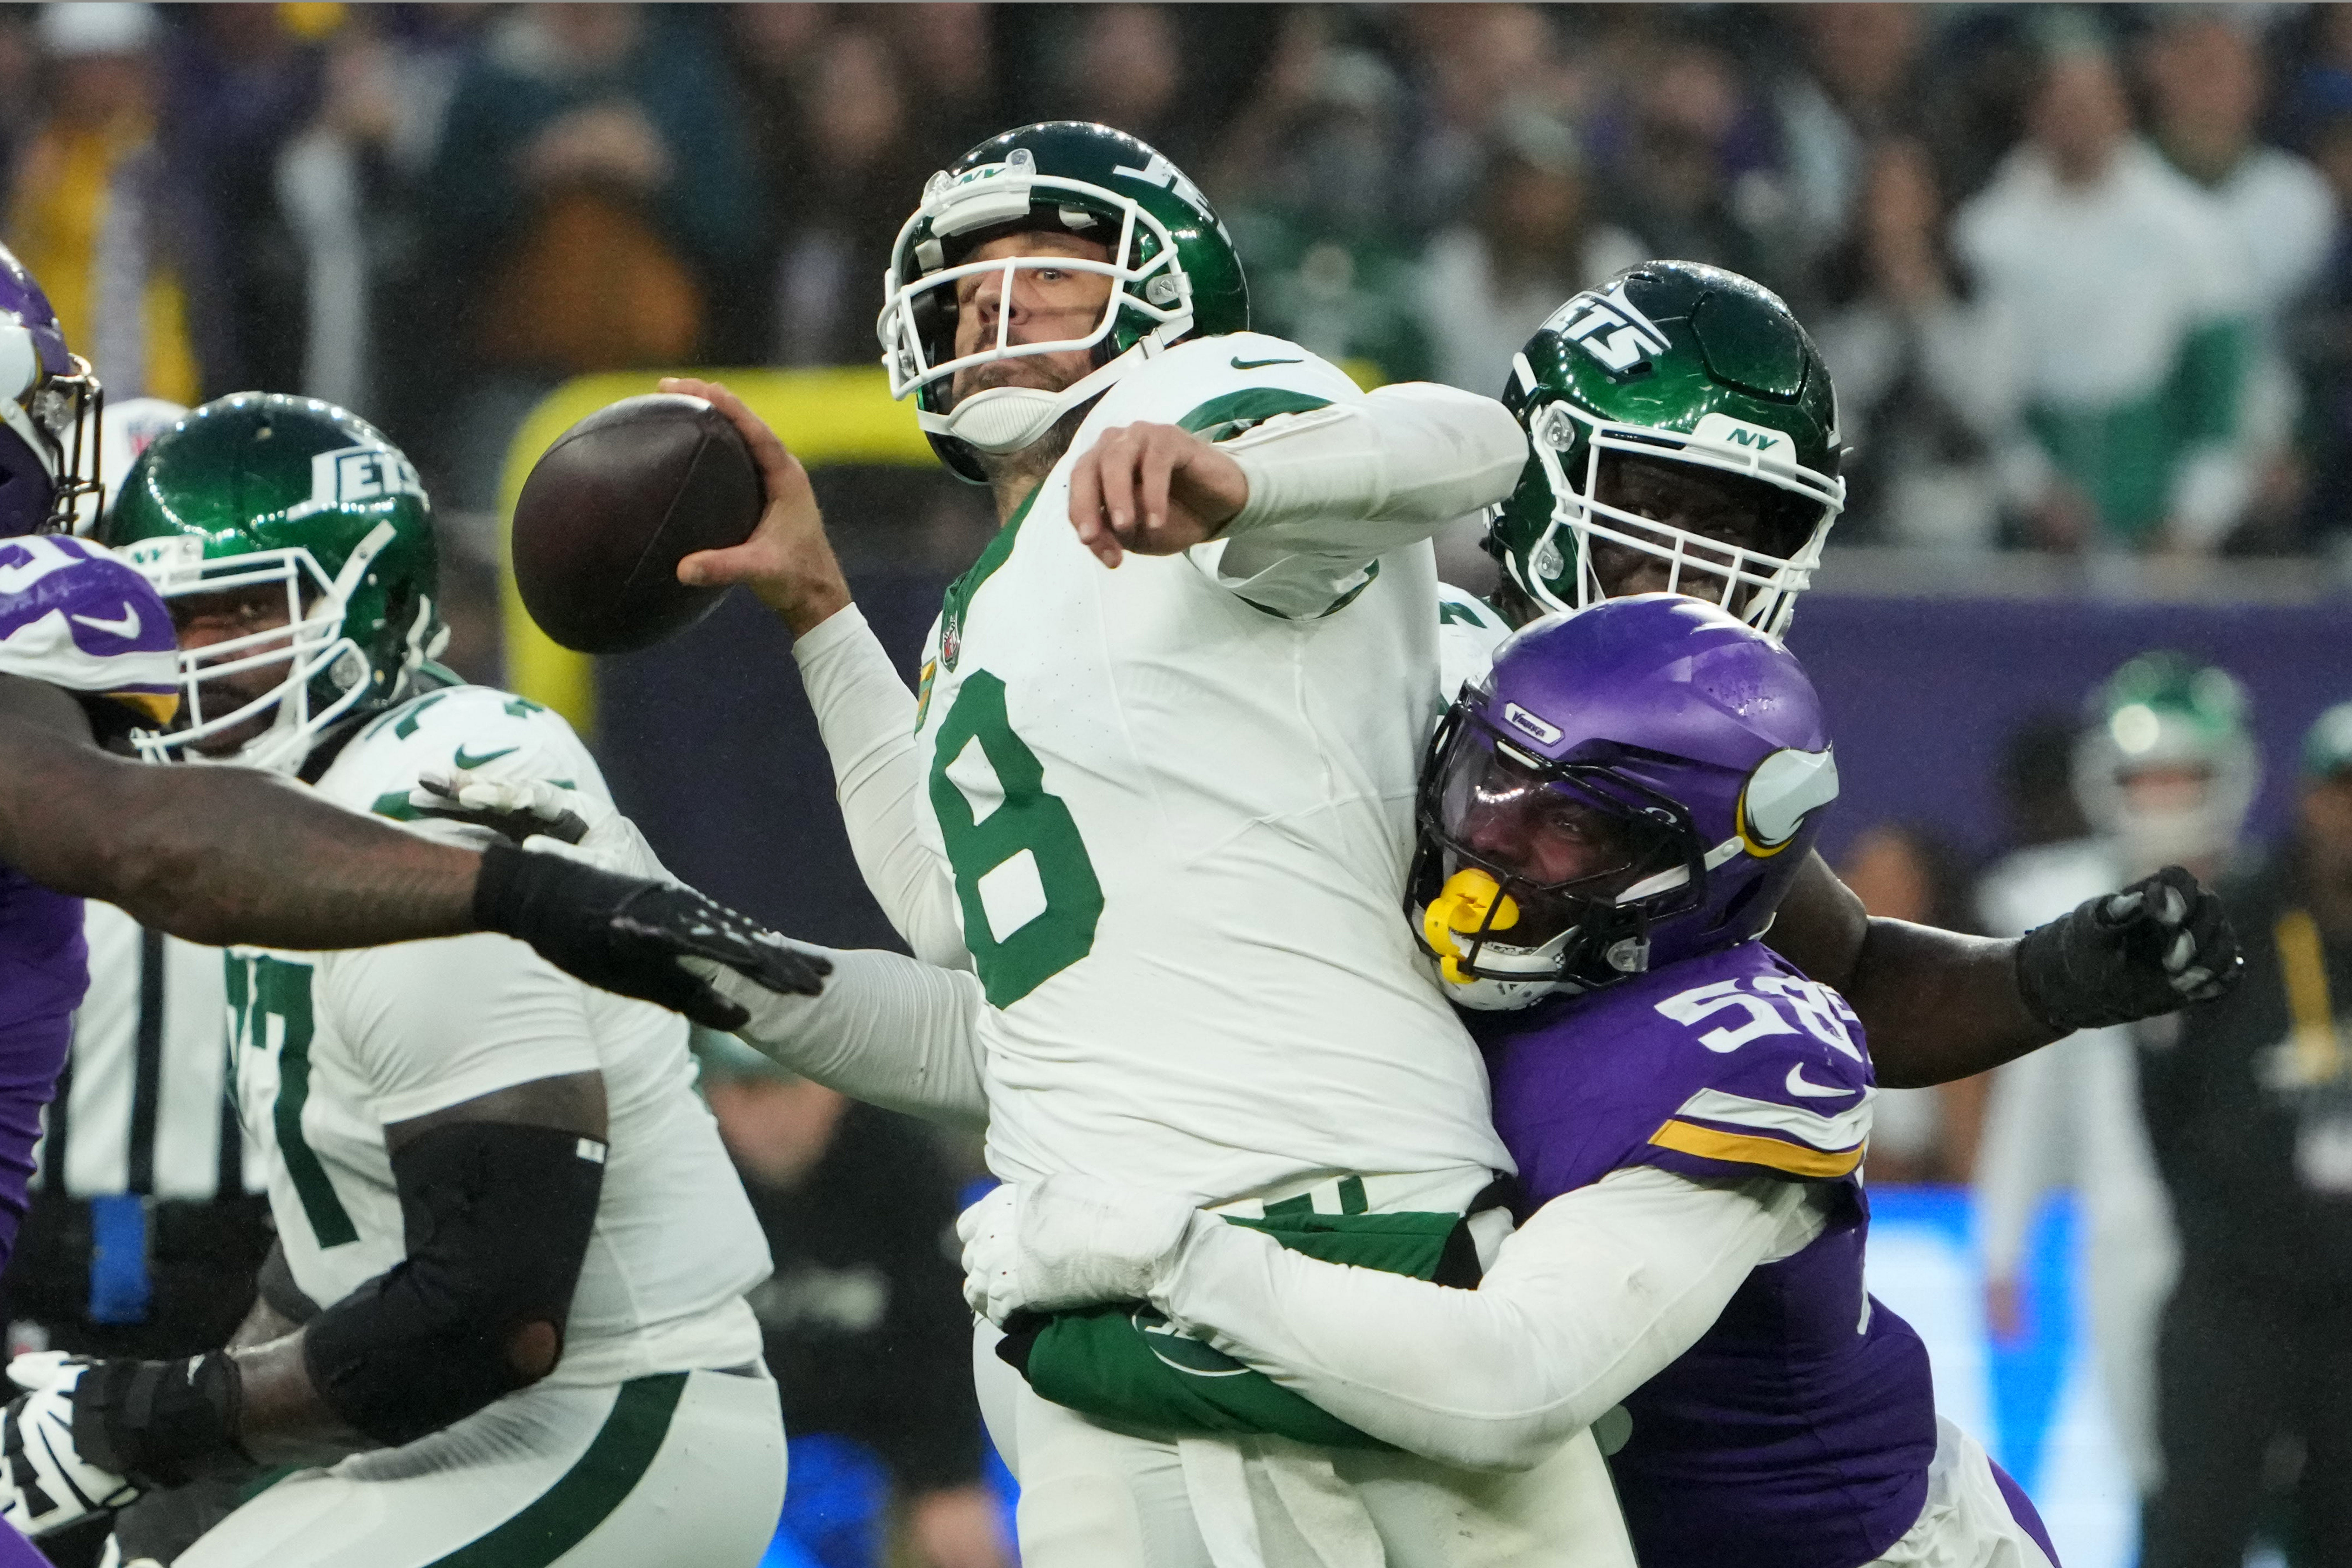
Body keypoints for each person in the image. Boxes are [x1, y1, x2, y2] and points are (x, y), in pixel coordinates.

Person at [667, 126, 2236, 1564]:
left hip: (1753, 1446)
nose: (1697, 561)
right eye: (1660, 497)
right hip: (1469, 1387)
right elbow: (1014, 982)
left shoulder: (1685, 744)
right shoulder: (1374, 658)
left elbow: (1863, 977)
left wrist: (2053, 975)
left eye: (1755, 530)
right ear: (1548, 463)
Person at [678, 118, 1636, 1568]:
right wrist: (819, 615)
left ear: (1164, 293)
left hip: (1345, 1222)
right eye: (973, 281)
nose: (1000, 309)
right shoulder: (981, 611)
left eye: (1054, 276)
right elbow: (951, 917)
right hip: (1200, 1260)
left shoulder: (1204, 400)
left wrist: (1245, 481)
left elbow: (1469, 443)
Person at [961, 596, 2063, 1568]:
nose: (1488, 841)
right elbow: (1016, 1031)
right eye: (1488, 775)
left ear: (1707, 875)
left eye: (1570, 823)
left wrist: (1160, 1251)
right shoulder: (1398, 935)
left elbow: (1516, 1379)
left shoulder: (1745, 1047)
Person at [0, 394, 793, 1567]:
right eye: (176, 622)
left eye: (238, 613)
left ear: (375, 602)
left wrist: (146, 1421)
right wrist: (167, 1464)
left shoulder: (441, 786)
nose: (197, 661)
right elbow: (336, 1265)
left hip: (606, 1413)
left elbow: (500, 1307)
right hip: (455, 1429)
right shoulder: (284, 827)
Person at [0, 242, 820, 1300]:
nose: (191, 656)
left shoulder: (414, 761)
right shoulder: (61, 659)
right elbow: (151, 841)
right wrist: (520, 893)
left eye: (239, 612)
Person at [1973, 653, 2258, 1507]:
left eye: (2185, 774)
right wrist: (2001, 1240)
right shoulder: (2068, 910)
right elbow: (2033, 1093)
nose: (2165, 796)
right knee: (2154, 1476)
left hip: (2264, 1243)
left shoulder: (2280, 908)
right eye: (2146, 776)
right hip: (2124, 1231)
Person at [2135, 700, 2352, 1568]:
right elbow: (2164, 1101)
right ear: (2309, 798)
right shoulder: (2234, 922)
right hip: (2237, 1294)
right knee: (2196, 1524)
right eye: (2342, 792)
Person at [699, 1034, 1010, 1568]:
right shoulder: (689, 1180)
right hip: (736, 1446)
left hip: (889, 1436)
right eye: (743, 1090)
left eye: (785, 1088)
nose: (766, 1116)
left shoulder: (901, 1165)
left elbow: (943, 1341)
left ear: (832, 1087)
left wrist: (951, 1479)